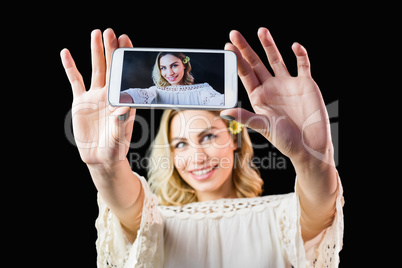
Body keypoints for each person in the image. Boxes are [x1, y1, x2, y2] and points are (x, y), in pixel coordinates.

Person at [60, 27, 344, 267]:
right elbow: (125, 203)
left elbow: (319, 207)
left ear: (234, 139)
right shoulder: (155, 225)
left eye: (208, 137)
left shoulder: (282, 215)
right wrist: (105, 166)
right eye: (181, 144)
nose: (196, 156)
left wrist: (312, 158)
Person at [120, 52, 224, 106]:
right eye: (163, 68)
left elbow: (220, 101)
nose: (169, 73)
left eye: (174, 66)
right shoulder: (154, 92)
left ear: (184, 65)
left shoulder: (203, 90)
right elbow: (133, 94)